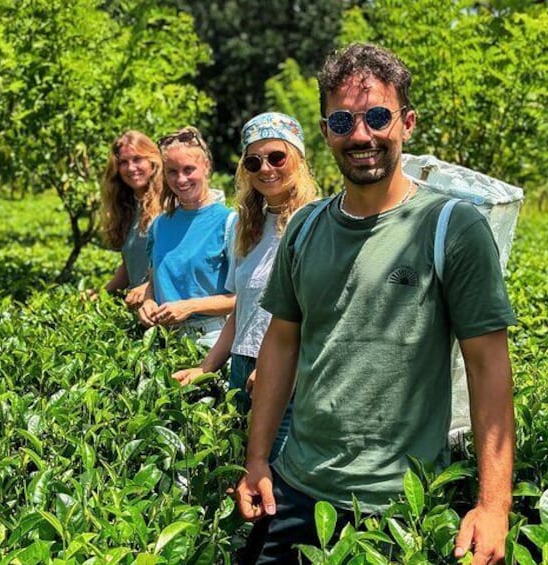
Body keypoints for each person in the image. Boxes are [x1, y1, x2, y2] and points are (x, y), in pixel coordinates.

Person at [235, 43, 516, 565]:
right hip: (296, 486)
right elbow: (280, 343)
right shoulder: (304, 227)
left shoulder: (452, 228)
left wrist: (493, 504)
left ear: (406, 123)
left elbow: (488, 367)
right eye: (343, 120)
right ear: (325, 132)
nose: (360, 135)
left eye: (377, 117)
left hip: (400, 506)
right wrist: (257, 459)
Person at [172, 112, 318, 461]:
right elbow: (242, 311)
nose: (266, 168)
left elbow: (317, 312)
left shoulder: (313, 221)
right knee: (241, 469)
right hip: (242, 363)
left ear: (297, 159)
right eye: (254, 161)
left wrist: (274, 367)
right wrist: (206, 368)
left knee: (276, 470)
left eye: (277, 157)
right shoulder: (243, 225)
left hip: (289, 368)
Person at [138, 126, 236, 347]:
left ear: (206, 167)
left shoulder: (229, 222)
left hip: (212, 339)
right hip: (163, 340)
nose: (181, 179)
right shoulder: (159, 226)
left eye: (188, 169)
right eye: (172, 171)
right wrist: (148, 302)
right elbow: (153, 282)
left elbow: (242, 298)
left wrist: (190, 307)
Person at [80, 131, 162, 307]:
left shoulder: (169, 204)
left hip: (167, 308)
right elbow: (129, 267)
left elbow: (184, 261)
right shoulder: (129, 208)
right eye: (124, 162)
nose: (131, 168)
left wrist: (149, 286)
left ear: (153, 162)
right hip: (137, 308)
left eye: (137, 159)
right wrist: (102, 293)